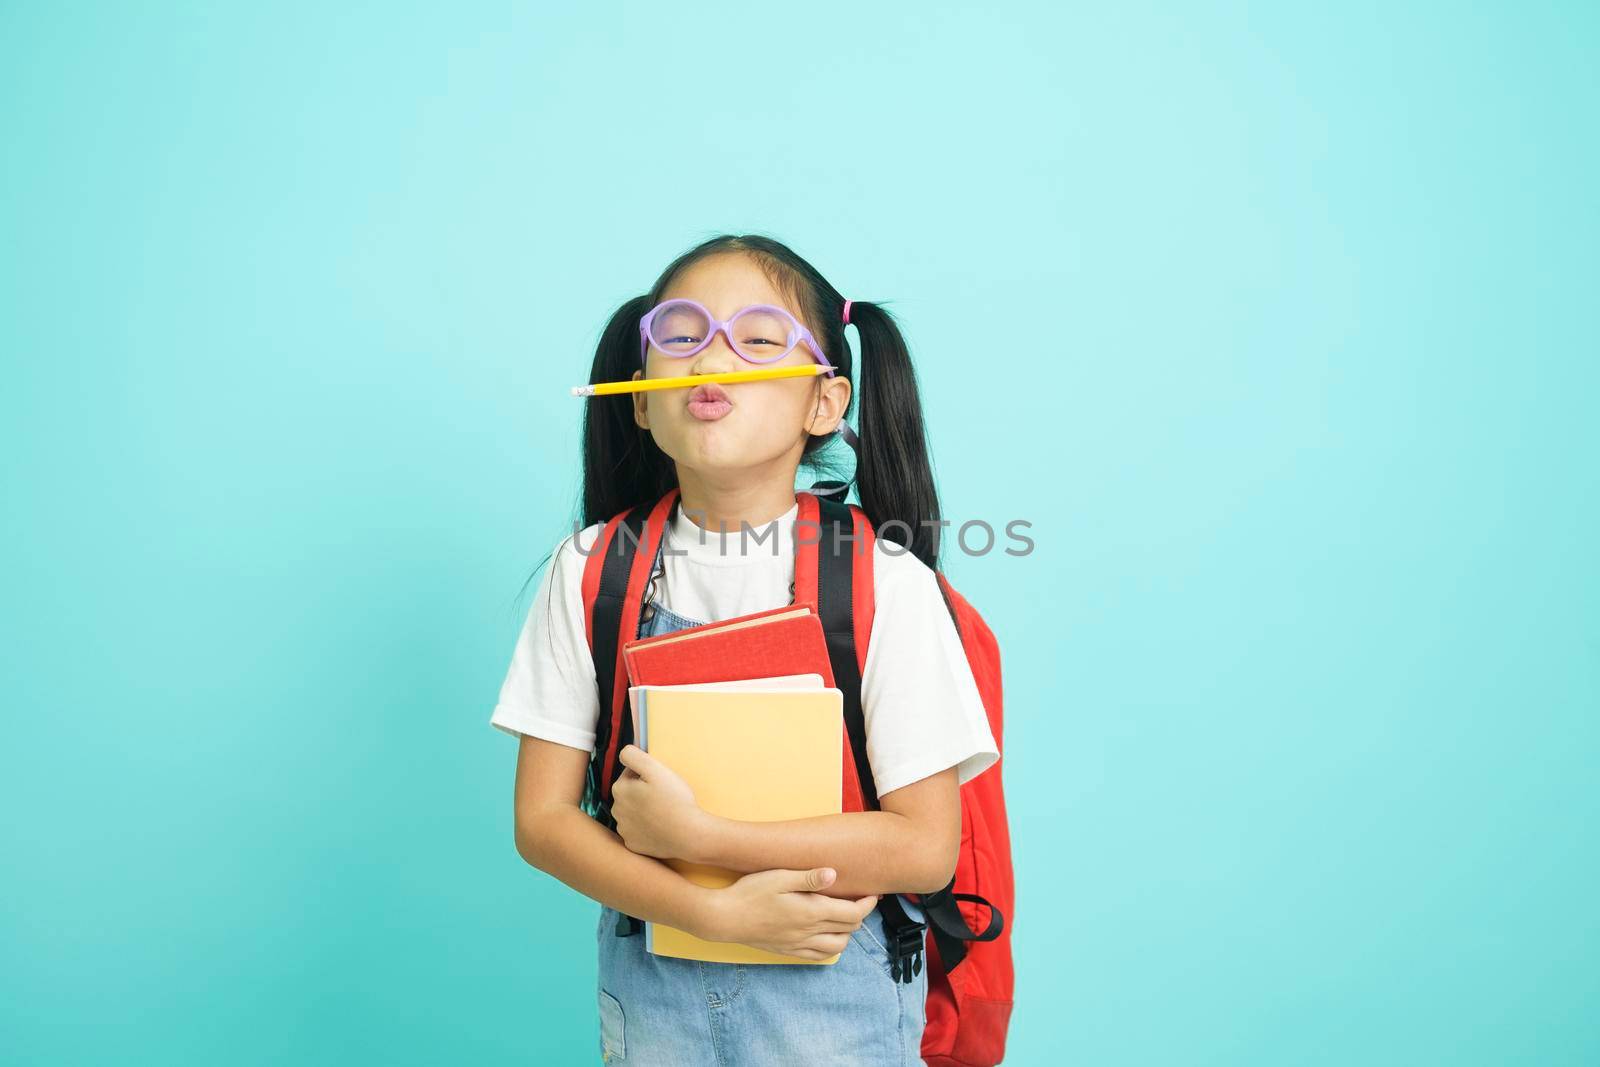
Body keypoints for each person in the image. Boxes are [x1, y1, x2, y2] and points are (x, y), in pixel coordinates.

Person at [491, 234, 999, 1064]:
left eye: (759, 339)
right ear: (642, 400)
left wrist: (706, 837)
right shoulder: (588, 570)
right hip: (652, 988)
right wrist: (711, 910)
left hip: (837, 991)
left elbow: (923, 846)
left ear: (823, 404)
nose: (710, 360)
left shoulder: (884, 579)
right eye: (680, 336)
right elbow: (543, 821)